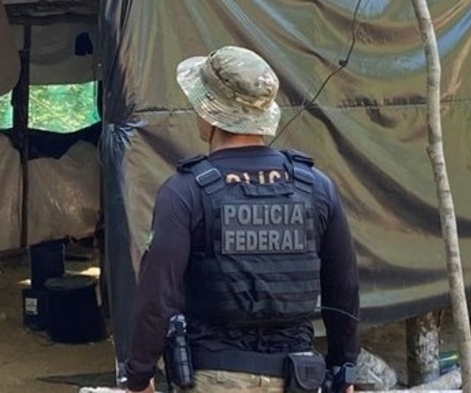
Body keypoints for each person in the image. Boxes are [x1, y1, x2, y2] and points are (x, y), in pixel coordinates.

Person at [125, 46, 359, 392]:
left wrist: (139, 375)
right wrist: (344, 370)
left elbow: (157, 293)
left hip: (214, 377)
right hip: (299, 377)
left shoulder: (185, 192)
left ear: (208, 111)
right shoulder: (316, 187)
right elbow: (343, 289)